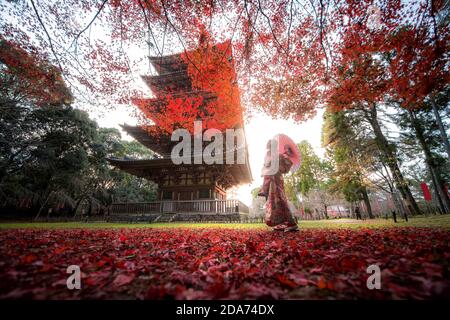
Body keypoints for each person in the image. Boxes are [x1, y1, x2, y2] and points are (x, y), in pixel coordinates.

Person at [258, 139, 298, 232]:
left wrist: (285, 156)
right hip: (271, 180)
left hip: (276, 179)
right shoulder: (270, 155)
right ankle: (281, 224)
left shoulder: (279, 155)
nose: (270, 148)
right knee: (273, 202)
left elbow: (286, 167)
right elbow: (266, 166)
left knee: (280, 199)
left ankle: (291, 223)